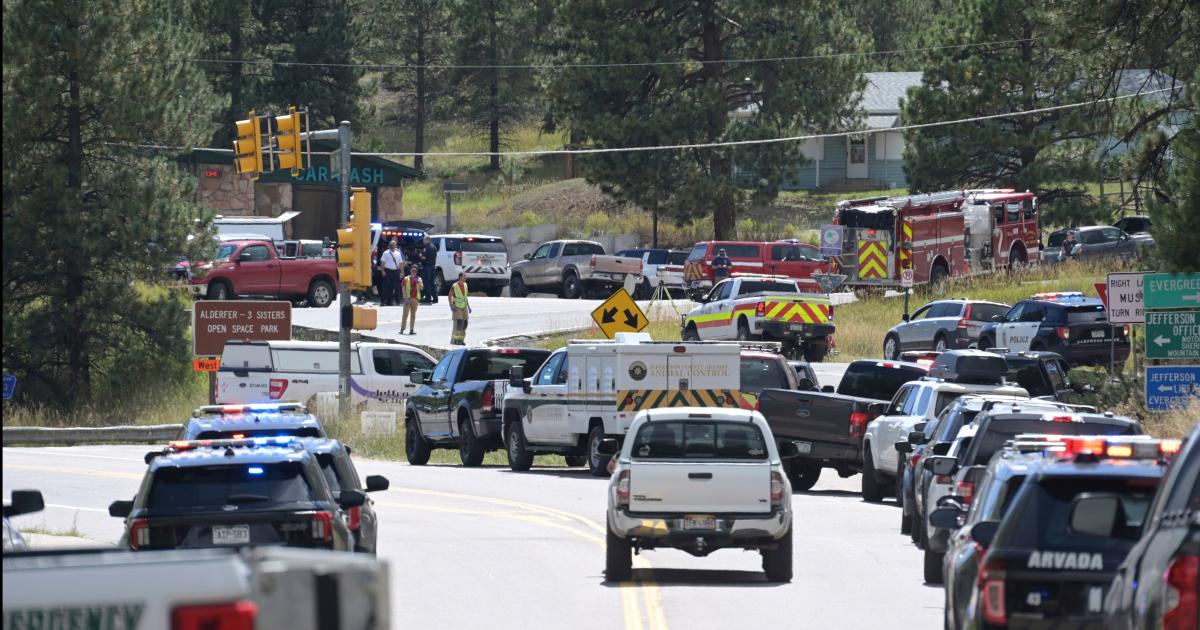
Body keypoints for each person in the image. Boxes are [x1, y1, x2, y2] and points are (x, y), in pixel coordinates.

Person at [399, 265, 423, 335]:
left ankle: (411, 330)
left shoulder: (419, 279)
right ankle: (402, 329)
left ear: (416, 272)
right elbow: (403, 288)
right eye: (413, 270)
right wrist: (405, 297)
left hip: (415, 299)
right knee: (405, 314)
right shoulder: (406, 278)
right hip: (408, 298)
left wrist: (418, 282)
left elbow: (422, 288)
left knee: (413, 315)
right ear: (410, 271)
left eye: (415, 271)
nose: (414, 272)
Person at [380, 239, 404, 306]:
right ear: (389, 245)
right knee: (385, 287)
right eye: (391, 244)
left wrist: (402, 272)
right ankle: (383, 301)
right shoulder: (385, 253)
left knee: (395, 287)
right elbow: (382, 262)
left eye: (393, 244)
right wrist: (382, 270)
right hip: (387, 271)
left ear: (396, 245)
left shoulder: (398, 253)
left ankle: (394, 302)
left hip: (396, 271)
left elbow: (401, 263)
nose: (392, 246)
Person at [449, 272, 470, 345]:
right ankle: (455, 340)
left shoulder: (465, 285)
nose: (465, 277)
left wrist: (469, 307)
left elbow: (465, 297)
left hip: (464, 307)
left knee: (465, 324)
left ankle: (461, 339)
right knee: (459, 323)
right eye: (464, 276)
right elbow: (450, 296)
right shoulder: (454, 286)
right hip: (457, 307)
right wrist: (451, 305)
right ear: (460, 277)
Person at [420, 235, 439, 304]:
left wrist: (420, 255)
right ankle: (435, 298)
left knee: (426, 283)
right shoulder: (434, 247)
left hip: (427, 267)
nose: (423, 241)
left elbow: (424, 258)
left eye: (424, 240)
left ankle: (428, 298)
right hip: (432, 267)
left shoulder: (426, 247)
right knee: (432, 283)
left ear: (428, 240)